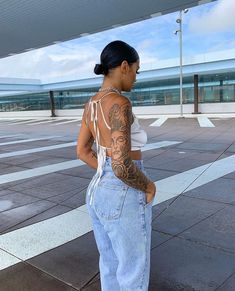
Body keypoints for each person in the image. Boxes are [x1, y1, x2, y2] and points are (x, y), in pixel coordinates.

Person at [77, 40, 156, 291]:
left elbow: (81, 151)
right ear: (124, 66)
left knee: (110, 264)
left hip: (97, 189)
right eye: (136, 69)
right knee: (133, 270)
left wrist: (106, 169)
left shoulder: (91, 105)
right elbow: (122, 166)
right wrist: (148, 184)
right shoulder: (119, 104)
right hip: (124, 186)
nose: (136, 76)